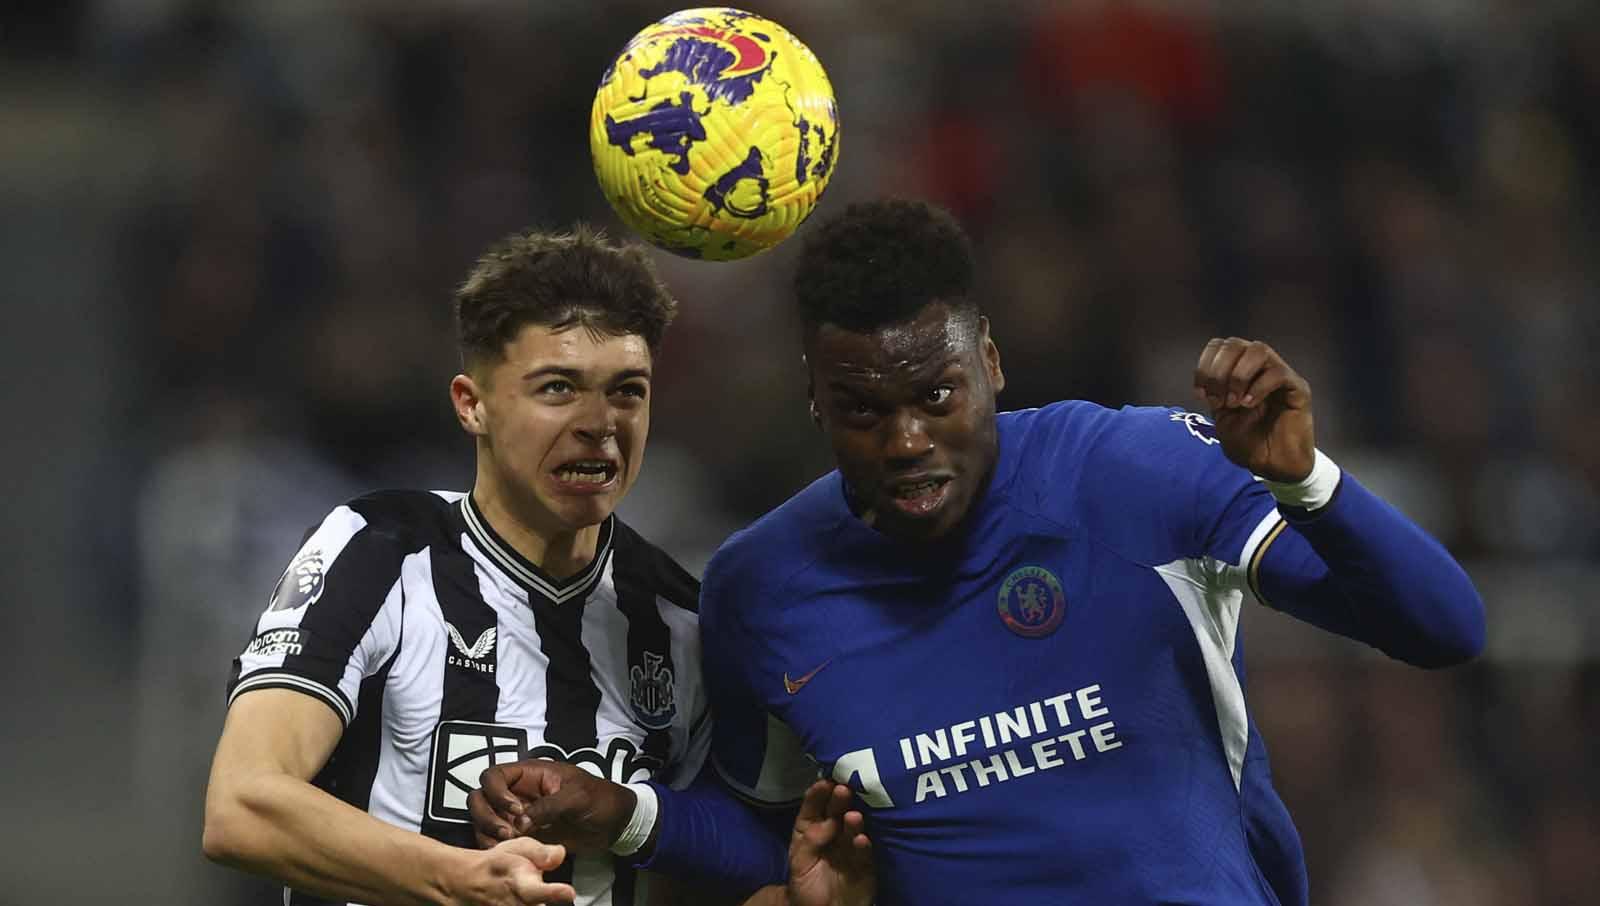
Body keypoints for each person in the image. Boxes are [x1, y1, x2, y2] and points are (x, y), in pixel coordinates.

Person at [469, 199, 1487, 906]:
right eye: (864, 410)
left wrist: (1306, 482)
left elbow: (1442, 628)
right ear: (816, 398)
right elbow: (791, 841)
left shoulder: (1127, 469)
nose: (906, 440)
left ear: (989, 363)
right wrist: (627, 814)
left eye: (935, 396)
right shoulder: (761, 589)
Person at [201, 226, 870, 906]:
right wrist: (456, 880)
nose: (599, 422)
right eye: (558, 388)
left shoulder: (682, 620)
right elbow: (242, 805)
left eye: (627, 391)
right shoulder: (380, 550)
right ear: (473, 404)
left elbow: (735, 862)